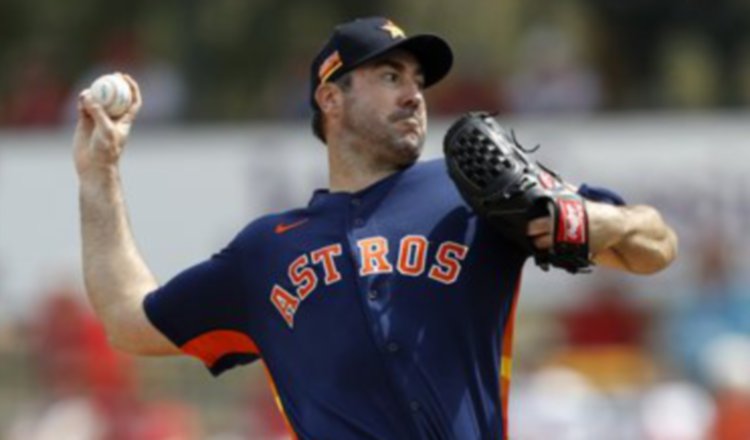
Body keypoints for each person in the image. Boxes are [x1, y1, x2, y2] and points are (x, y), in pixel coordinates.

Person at [72, 16, 678, 440]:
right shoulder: (265, 252)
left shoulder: (471, 191)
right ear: (331, 99)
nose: (414, 94)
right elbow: (129, 320)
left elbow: (657, 246)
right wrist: (99, 173)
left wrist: (588, 218)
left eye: (417, 80)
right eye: (390, 76)